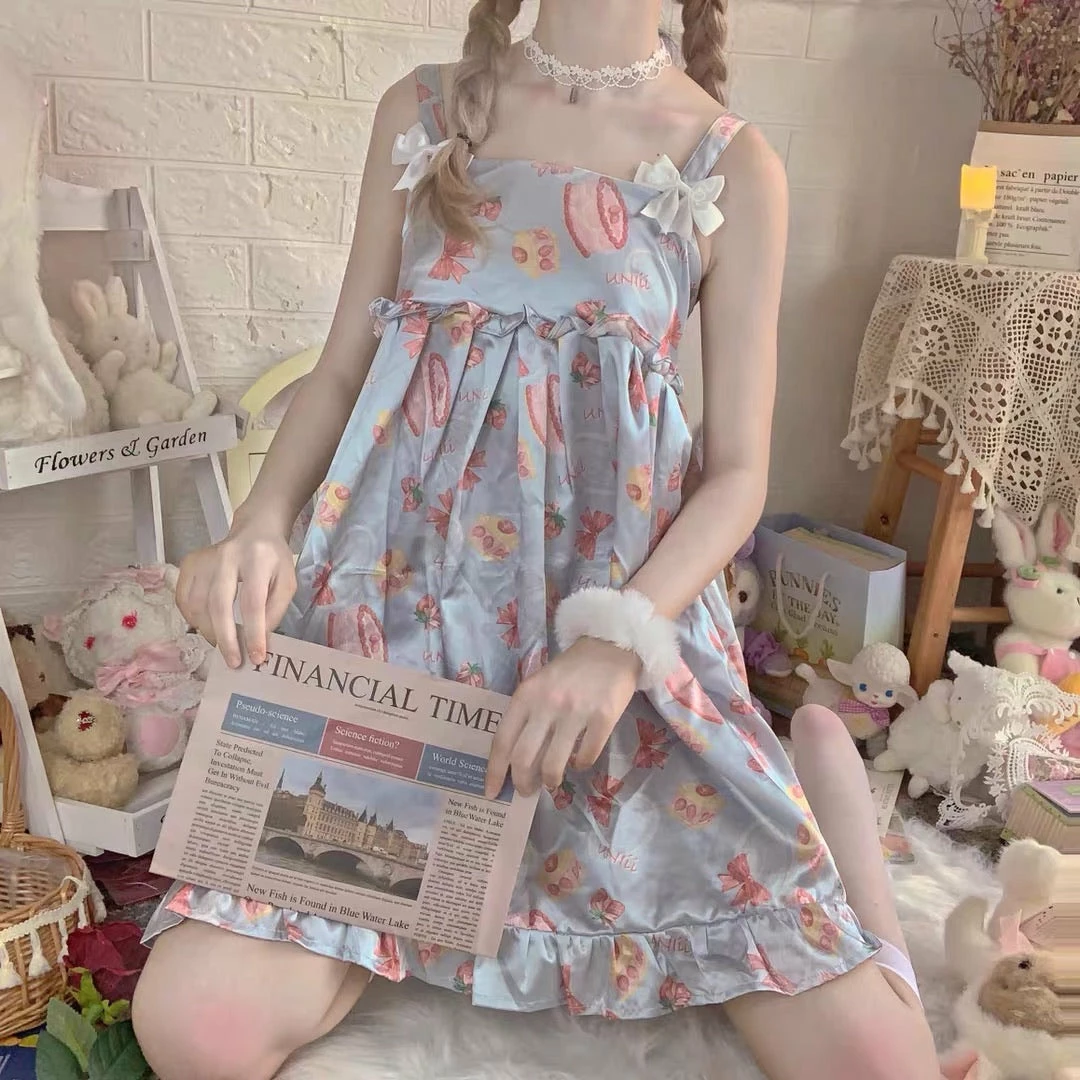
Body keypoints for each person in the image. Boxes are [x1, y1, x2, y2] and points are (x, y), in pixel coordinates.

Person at [131, 1, 944, 1077]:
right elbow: (341, 372)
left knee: (884, 1068)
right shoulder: (426, 111)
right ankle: (414, 906)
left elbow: (739, 475)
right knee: (195, 1031)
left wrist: (616, 643)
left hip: (614, 666)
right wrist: (261, 523)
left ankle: (827, 788)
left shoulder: (729, 162)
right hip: (403, 645)